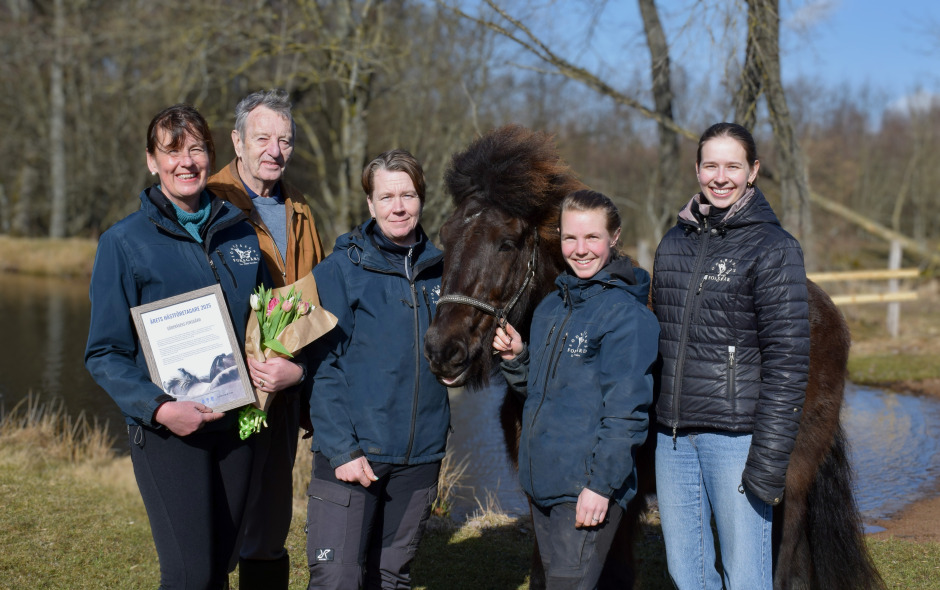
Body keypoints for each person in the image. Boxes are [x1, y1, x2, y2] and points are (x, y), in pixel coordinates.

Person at [84, 104, 266, 588]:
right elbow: (104, 353)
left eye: (196, 149)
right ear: (151, 160)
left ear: (212, 154)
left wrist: (281, 364)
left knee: (221, 565)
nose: (186, 162)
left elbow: (264, 322)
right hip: (169, 433)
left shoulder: (240, 232)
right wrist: (160, 409)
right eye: (171, 150)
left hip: (238, 427)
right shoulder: (123, 243)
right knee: (189, 573)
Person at [651, 122, 810, 589]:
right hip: (675, 439)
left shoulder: (773, 247)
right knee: (688, 573)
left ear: (753, 171)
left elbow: (788, 362)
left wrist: (769, 458)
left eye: (733, 166)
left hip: (736, 440)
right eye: (711, 165)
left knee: (746, 577)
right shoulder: (673, 242)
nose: (721, 177)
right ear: (697, 169)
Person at [491, 189, 659, 589]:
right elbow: (541, 394)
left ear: (614, 237)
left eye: (592, 238)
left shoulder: (627, 316)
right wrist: (517, 359)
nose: (580, 250)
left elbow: (626, 415)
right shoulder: (552, 307)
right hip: (546, 485)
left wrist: (600, 488)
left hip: (586, 490)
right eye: (570, 238)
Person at [305, 149, 448, 589]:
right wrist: (342, 449)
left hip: (420, 456)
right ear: (370, 204)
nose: (398, 207)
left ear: (422, 199)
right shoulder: (341, 270)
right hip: (353, 457)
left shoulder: (446, 271)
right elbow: (320, 367)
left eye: (408, 195)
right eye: (386, 197)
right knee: (337, 579)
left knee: (391, 578)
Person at [208, 89, 325, 589]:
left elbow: (314, 298)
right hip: (223, 390)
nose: (274, 150)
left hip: (283, 392)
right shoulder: (208, 201)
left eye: (285, 140)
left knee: (271, 522)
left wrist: (301, 380)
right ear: (237, 141)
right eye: (262, 138)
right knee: (217, 520)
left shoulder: (300, 208)